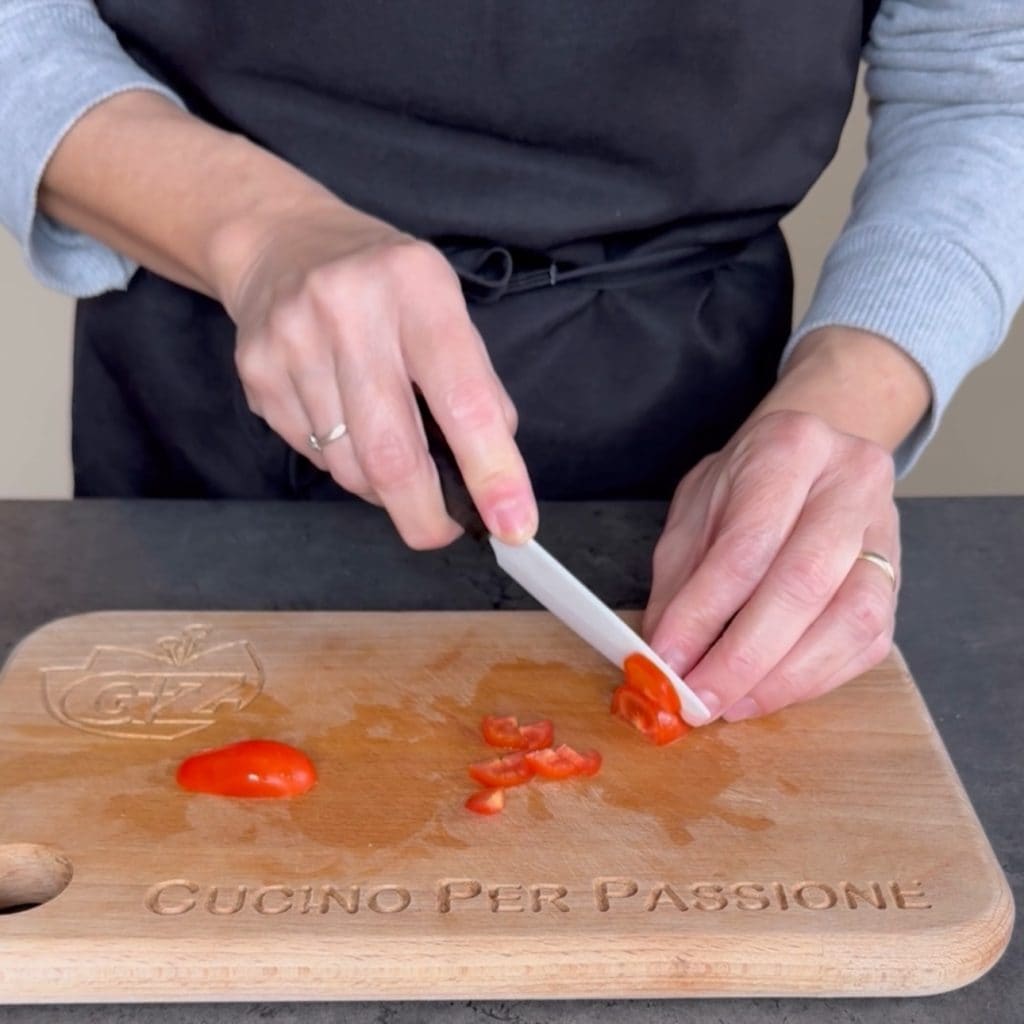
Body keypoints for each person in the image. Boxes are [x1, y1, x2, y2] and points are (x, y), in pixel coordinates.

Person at [1, 1, 1022, 725]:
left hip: (695, 436)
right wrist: (251, 231)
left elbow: (985, 77)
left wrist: (850, 398)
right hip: (204, 418)